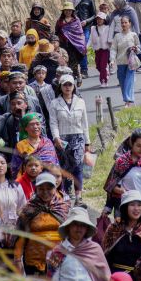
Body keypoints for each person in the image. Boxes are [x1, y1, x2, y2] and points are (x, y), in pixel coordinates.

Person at [43, 207, 111, 281]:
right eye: (75, 224)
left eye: (83, 225)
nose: (79, 228)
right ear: (69, 227)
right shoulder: (58, 252)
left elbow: (105, 280)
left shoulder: (94, 250)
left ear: (87, 228)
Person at [15, 171, 70, 281]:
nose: (45, 192)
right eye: (41, 189)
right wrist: (17, 260)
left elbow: (69, 236)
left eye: (49, 189)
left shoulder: (63, 208)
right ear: (36, 189)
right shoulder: (29, 209)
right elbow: (20, 236)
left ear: (55, 188)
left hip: (57, 259)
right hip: (33, 260)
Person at [48, 74, 90, 205]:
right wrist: (56, 137)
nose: (67, 87)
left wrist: (87, 142)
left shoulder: (80, 101)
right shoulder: (54, 103)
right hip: (63, 138)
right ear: (60, 86)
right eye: (65, 84)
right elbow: (53, 123)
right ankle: (66, 192)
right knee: (65, 166)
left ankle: (79, 195)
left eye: (70, 84)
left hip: (78, 137)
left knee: (78, 166)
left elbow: (85, 123)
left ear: (74, 86)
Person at [104, 129, 141, 214]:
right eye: (138, 146)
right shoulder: (121, 162)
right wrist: (109, 205)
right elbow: (111, 184)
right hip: (128, 202)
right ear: (131, 144)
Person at [102, 190, 141, 274]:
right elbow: (105, 254)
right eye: (132, 205)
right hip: (115, 275)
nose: (136, 209)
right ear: (125, 207)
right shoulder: (114, 228)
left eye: (139, 205)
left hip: (139, 277)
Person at [11, 112, 58, 177]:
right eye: (32, 124)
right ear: (25, 128)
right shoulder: (20, 145)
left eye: (37, 124)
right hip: (27, 180)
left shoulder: (47, 142)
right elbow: (15, 167)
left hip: (47, 180)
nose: (35, 127)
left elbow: (54, 163)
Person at [110, 16, 140, 108]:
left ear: (130, 24)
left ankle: (129, 100)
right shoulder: (117, 36)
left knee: (129, 81)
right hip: (120, 62)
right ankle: (127, 100)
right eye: (122, 23)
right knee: (122, 82)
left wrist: (136, 49)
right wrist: (112, 60)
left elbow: (139, 47)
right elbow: (113, 49)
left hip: (131, 63)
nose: (123, 24)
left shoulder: (133, 35)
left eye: (125, 22)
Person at [56, 2, 87, 87]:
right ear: (63, 11)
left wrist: (82, 44)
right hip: (63, 45)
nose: (68, 12)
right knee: (66, 62)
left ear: (72, 11)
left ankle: (76, 76)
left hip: (74, 46)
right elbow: (57, 32)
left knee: (73, 63)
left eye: (69, 10)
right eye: (66, 10)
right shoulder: (60, 21)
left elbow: (80, 33)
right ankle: (70, 79)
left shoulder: (76, 20)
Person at [72, 0, 97, 78]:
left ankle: (84, 70)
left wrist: (86, 21)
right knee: (73, 48)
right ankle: (74, 70)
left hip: (86, 27)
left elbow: (94, 15)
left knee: (83, 47)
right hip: (74, 27)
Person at [89, 11, 112, 87]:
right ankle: (106, 72)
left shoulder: (107, 28)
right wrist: (86, 47)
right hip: (97, 50)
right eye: (98, 19)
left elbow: (111, 38)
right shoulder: (93, 28)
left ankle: (103, 81)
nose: (99, 20)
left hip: (105, 50)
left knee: (103, 66)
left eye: (101, 19)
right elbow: (90, 39)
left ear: (104, 20)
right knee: (98, 66)